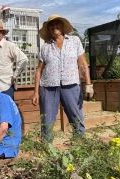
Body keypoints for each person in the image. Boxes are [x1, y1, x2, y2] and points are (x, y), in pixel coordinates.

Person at [32, 14, 94, 143]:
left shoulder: (75, 41)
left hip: (71, 85)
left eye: (57, 24)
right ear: (48, 30)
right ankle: (47, 149)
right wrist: (36, 92)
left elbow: (83, 64)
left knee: (76, 117)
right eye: (51, 26)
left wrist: (88, 84)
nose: (55, 27)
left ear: (62, 26)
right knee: (47, 121)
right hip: (48, 87)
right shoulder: (45, 47)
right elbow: (39, 70)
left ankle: (80, 146)